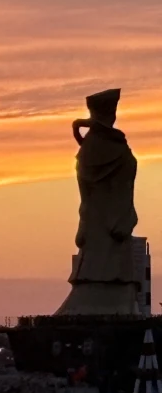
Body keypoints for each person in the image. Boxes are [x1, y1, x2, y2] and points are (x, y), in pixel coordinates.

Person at [56, 88, 140, 316]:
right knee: (107, 257)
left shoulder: (90, 150)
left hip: (98, 219)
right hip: (110, 218)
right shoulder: (115, 150)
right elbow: (123, 187)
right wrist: (126, 216)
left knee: (103, 255)